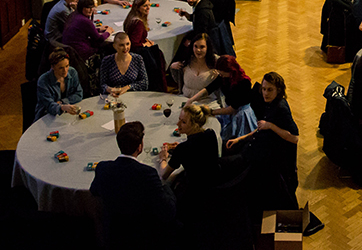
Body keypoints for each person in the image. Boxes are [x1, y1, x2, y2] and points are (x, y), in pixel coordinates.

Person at [90, 121, 176, 250]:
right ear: (140, 147)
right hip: (145, 236)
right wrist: (165, 185)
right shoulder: (147, 174)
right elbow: (168, 210)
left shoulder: (103, 168)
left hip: (114, 234)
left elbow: (94, 191)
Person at [226, 72, 300, 210]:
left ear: (278, 90)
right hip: (259, 148)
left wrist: (271, 126)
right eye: (264, 89)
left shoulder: (281, 108)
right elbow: (261, 128)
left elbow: (294, 138)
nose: (265, 93)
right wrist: (240, 139)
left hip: (269, 158)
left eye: (270, 90)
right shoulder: (268, 104)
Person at [186, 55, 257, 140]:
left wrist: (211, 112)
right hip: (229, 109)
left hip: (241, 115)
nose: (221, 75)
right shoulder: (224, 77)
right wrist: (191, 99)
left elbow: (233, 109)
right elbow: (209, 88)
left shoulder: (243, 83)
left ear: (231, 70)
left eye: (222, 73)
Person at [159, 102, 220, 194]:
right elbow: (198, 149)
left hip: (196, 192)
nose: (177, 124)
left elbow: (163, 175)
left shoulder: (183, 149)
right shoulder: (210, 133)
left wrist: (163, 158)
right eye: (179, 119)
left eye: (183, 122)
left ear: (195, 125)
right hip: (216, 181)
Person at [34, 48, 83, 119]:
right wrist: (62, 107)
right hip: (46, 117)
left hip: (66, 114)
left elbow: (79, 94)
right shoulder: (43, 80)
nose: (65, 70)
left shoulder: (72, 72)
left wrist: (62, 102)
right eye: (61, 68)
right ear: (52, 67)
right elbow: (49, 106)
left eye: (67, 66)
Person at [170, 32, 218, 101]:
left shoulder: (216, 62)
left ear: (208, 48)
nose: (198, 50)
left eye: (202, 47)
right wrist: (172, 67)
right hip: (185, 100)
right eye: (195, 46)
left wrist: (220, 76)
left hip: (207, 102)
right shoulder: (186, 61)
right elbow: (177, 80)